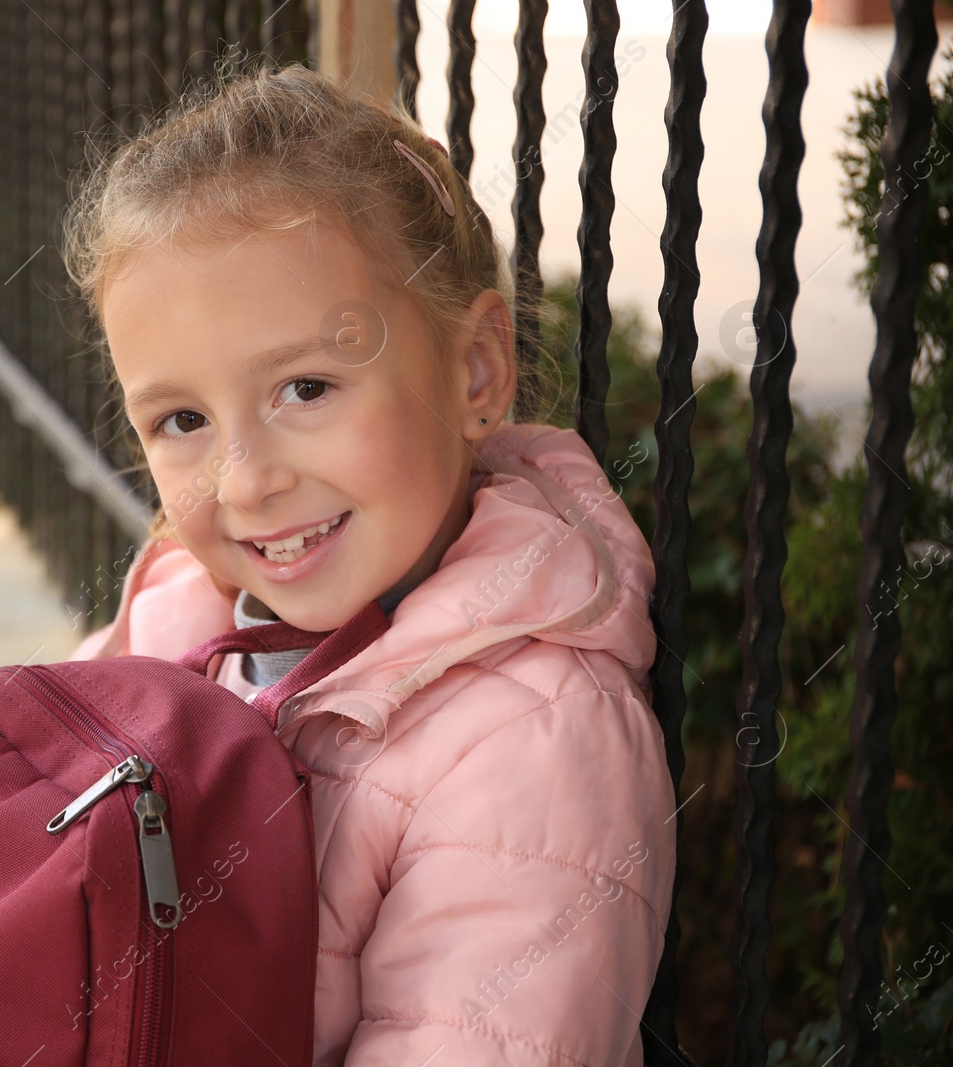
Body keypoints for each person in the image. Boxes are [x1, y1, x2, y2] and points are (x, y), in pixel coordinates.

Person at [58, 63, 676, 1065]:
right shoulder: (177, 614)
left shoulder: (530, 744)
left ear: (474, 370)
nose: (246, 480)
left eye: (305, 387)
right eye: (182, 419)